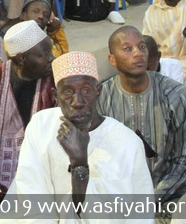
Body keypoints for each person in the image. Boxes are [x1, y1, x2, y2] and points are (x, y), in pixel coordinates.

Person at [9, 51, 154, 223]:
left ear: (98, 91)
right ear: (56, 96)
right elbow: (32, 197)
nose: (77, 102)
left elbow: (127, 215)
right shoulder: (42, 125)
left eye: (86, 90)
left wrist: (79, 163)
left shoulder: (126, 143)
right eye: (68, 93)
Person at [98, 27, 186, 201]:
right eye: (127, 49)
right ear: (112, 60)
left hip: (172, 189)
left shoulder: (177, 95)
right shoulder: (102, 98)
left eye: (142, 47)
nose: (138, 53)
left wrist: (152, 199)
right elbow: (102, 158)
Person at [0, 20, 56, 195]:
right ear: (22, 58)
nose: (52, 58)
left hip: (45, 176)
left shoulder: (56, 81)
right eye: (44, 54)